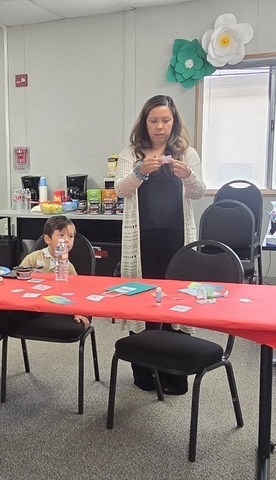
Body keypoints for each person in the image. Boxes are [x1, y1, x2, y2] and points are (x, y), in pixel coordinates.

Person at [115, 94, 206, 394]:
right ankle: (144, 372)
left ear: (174, 122)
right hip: (141, 243)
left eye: (166, 120)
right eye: (153, 121)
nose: (160, 127)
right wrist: (140, 171)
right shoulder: (131, 153)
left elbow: (198, 193)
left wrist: (189, 176)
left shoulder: (186, 153)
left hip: (177, 243)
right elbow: (119, 190)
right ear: (145, 123)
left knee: (174, 303)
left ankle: (174, 373)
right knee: (143, 303)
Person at [0, 216, 90, 386]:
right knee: (5, 312)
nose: (67, 241)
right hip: (27, 302)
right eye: (62, 235)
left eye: (71, 237)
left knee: (7, 320)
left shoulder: (68, 266)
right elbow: (19, 278)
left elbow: (76, 291)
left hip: (50, 307)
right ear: (48, 239)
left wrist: (78, 311)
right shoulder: (34, 257)